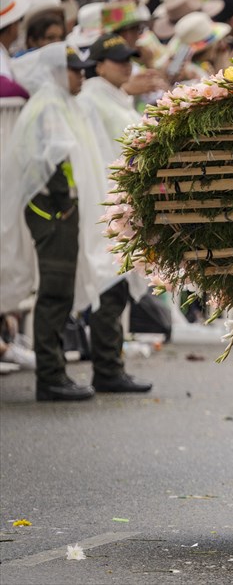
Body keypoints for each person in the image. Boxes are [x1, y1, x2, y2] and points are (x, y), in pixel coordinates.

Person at [2, 42, 151, 400]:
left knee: (65, 289)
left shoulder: (63, 103)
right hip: (54, 213)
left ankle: (62, 374)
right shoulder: (48, 106)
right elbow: (47, 161)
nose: (80, 75)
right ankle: (51, 378)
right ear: (56, 71)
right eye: (74, 69)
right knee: (55, 291)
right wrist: (61, 209)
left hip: (66, 211)